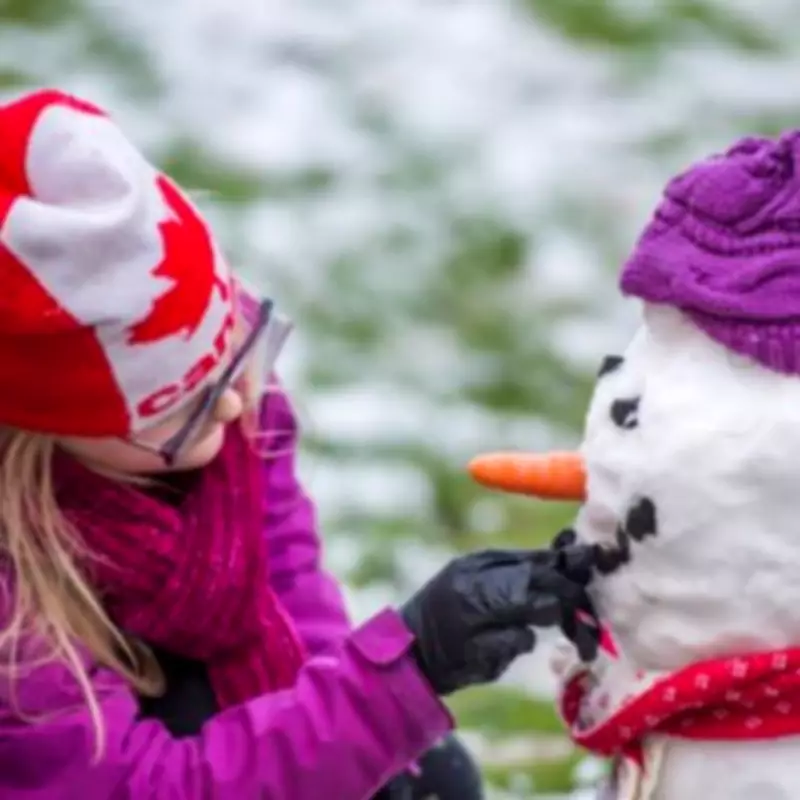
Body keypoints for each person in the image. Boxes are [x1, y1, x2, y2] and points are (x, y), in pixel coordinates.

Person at [0, 89, 596, 799]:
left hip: (168, 718)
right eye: (174, 408)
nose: (230, 402)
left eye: (233, 354)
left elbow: (284, 579)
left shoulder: (232, 398)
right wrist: (394, 685)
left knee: (432, 776)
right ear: (44, 432)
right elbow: (134, 788)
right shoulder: (15, 606)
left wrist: (377, 711)